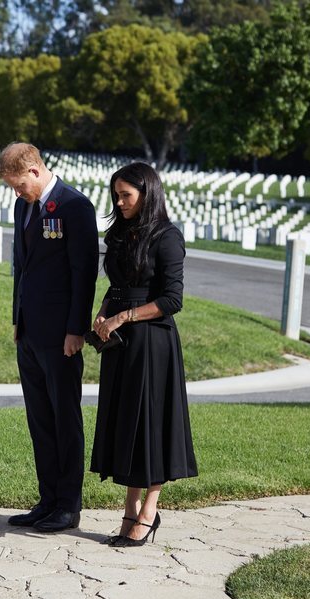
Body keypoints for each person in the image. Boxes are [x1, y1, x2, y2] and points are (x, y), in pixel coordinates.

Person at [90, 162, 198, 547]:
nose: (119, 203)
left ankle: (148, 512)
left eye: (126, 196)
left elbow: (172, 299)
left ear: (147, 193)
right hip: (120, 346)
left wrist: (123, 316)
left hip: (153, 345)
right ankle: (129, 506)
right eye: (115, 196)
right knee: (127, 427)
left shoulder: (168, 237)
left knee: (150, 429)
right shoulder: (120, 233)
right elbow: (117, 284)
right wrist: (104, 311)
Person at [0, 142, 99, 532]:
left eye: (19, 184)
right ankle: (47, 499)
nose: (17, 193)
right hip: (30, 332)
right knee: (39, 419)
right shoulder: (24, 206)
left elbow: (83, 273)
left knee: (64, 418)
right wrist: (17, 320)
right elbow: (22, 268)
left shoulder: (75, 207)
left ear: (35, 171)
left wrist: (76, 330)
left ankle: (68, 506)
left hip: (61, 335)